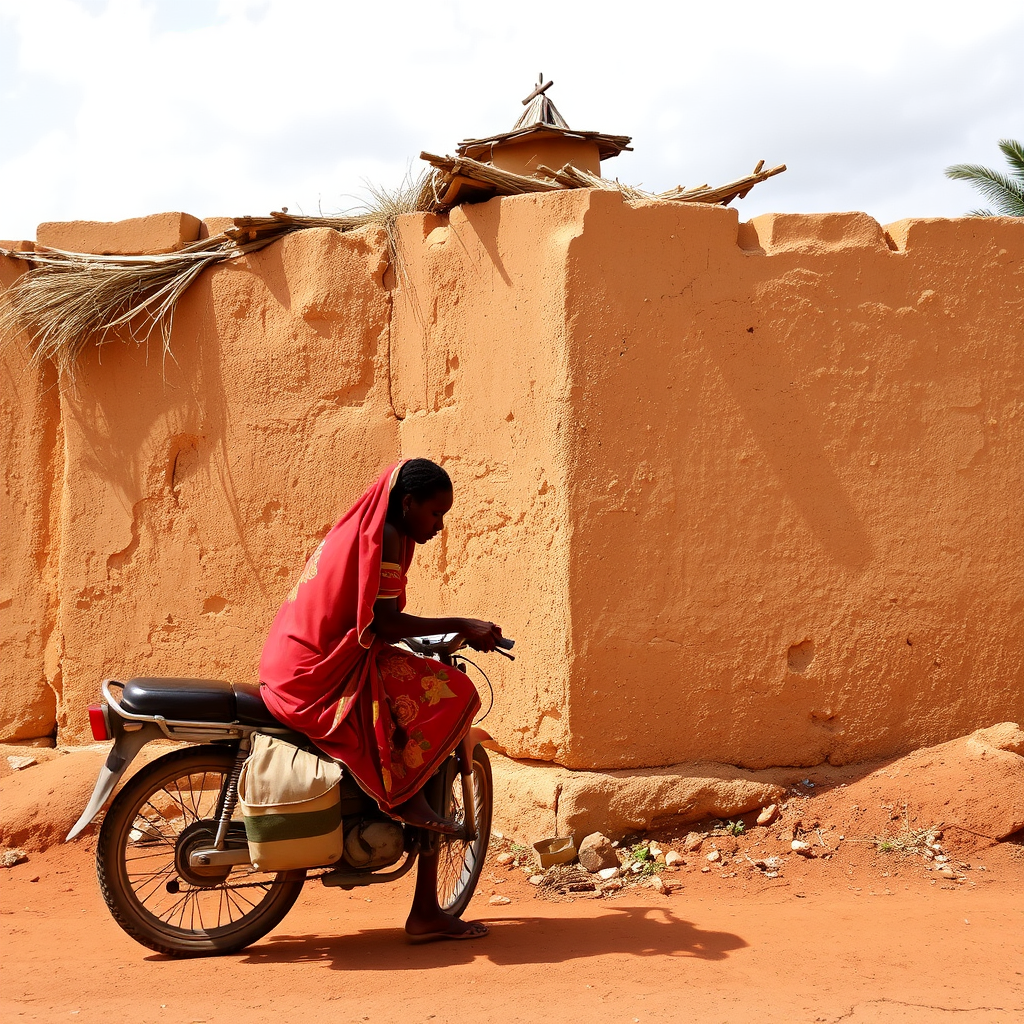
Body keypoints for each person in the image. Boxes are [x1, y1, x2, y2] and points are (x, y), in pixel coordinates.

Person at [259, 458, 502, 942]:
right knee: (454, 694)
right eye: (435, 514)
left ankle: (399, 814)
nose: (439, 525)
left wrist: (438, 635)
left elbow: (367, 622)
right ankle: (407, 803)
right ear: (408, 503)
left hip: (295, 659)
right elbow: (386, 623)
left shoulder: (373, 530)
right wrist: (462, 624)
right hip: (315, 673)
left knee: (414, 688)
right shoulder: (387, 535)